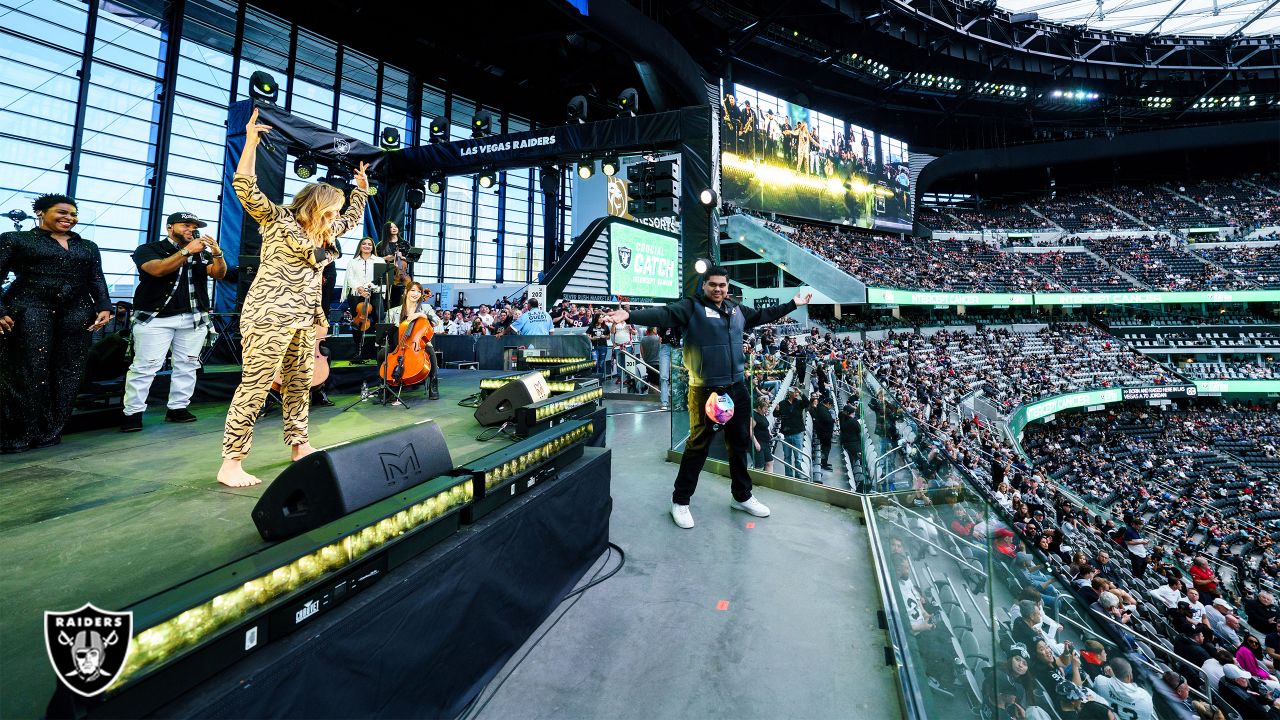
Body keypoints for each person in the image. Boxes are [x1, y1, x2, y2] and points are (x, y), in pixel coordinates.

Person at [217, 107, 369, 487]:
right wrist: (251, 142)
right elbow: (244, 187)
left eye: (337, 214)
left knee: (300, 383)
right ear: (316, 206)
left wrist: (361, 191)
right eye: (331, 212)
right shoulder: (278, 218)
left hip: (305, 318)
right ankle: (231, 461)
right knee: (256, 384)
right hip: (269, 314)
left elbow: (351, 218)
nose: (337, 219)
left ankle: (299, 445)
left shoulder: (327, 233)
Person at [604, 266, 809, 528]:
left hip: (737, 388)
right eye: (713, 285)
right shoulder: (691, 307)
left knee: (739, 443)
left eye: (722, 285)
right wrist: (630, 314)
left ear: (727, 286)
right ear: (704, 285)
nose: (718, 289)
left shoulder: (736, 309)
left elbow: (762, 315)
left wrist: (793, 304)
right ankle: (681, 501)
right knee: (698, 447)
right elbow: (664, 314)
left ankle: (742, 496)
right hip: (706, 390)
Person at [0, 193, 111, 453]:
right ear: (40, 212)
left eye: (73, 214)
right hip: (30, 308)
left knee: (68, 372)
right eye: (62, 212)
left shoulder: (87, 246)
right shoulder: (15, 239)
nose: (69, 218)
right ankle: (16, 435)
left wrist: (104, 306)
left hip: (76, 312)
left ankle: (50, 432)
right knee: (28, 372)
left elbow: (96, 279)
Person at [120, 211, 227, 431]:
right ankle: (133, 413)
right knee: (145, 366)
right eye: (185, 225)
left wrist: (217, 254)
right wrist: (187, 251)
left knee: (188, 364)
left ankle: (178, 408)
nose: (191, 230)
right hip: (155, 318)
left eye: (194, 226)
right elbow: (157, 270)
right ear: (170, 227)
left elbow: (219, 274)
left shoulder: (200, 252)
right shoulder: (149, 249)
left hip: (193, 317)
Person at [385, 282, 441, 400]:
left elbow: (437, 321)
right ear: (406, 292)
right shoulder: (393, 311)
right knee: (382, 353)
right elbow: (386, 330)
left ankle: (433, 383)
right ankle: (385, 386)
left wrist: (421, 315)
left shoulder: (425, 308)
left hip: (417, 342)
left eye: (419, 291)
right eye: (413, 290)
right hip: (398, 343)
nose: (416, 294)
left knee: (430, 350)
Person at [342, 237, 383, 363]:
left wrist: (368, 288)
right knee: (357, 322)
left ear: (373, 247)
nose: (366, 246)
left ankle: (380, 350)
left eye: (369, 244)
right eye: (364, 244)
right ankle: (358, 350)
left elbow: (380, 278)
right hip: (356, 293)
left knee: (379, 318)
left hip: (374, 293)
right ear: (360, 246)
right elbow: (350, 279)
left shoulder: (379, 260)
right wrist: (359, 289)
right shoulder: (352, 262)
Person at [774, 385, 810, 479]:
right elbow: (775, 414)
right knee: (787, 457)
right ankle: (789, 476)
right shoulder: (782, 403)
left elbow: (807, 403)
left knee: (798, 457)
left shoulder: (799, 402)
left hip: (797, 432)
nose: (796, 394)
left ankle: (798, 475)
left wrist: (801, 392)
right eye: (795, 392)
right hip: (785, 434)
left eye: (797, 392)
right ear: (790, 393)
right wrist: (777, 410)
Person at [812, 393, 836, 472]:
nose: (830, 407)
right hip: (824, 434)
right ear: (828, 404)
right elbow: (827, 420)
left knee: (826, 448)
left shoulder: (821, 408)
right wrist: (833, 420)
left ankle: (824, 462)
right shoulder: (822, 409)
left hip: (824, 433)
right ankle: (824, 463)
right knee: (826, 449)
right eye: (831, 405)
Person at [750, 396, 773, 473]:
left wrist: (769, 433)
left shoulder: (762, 414)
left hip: (765, 443)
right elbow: (750, 430)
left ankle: (769, 482)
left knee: (769, 462)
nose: (766, 411)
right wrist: (756, 443)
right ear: (759, 407)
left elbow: (764, 426)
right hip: (759, 443)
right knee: (759, 467)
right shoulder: (754, 415)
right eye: (765, 409)